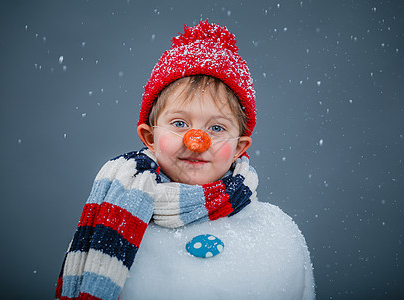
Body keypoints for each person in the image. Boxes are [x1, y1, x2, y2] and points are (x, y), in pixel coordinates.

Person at [55, 20, 315, 300]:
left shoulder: (276, 235)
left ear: (239, 147)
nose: (196, 140)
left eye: (216, 128)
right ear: (150, 137)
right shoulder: (115, 218)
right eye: (179, 123)